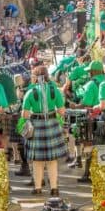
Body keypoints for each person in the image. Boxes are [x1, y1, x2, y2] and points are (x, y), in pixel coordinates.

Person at [22, 65, 67, 196]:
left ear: (35, 77)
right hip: (52, 124)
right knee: (52, 160)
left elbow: (24, 115)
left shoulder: (30, 92)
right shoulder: (55, 90)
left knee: (37, 160)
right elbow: (62, 111)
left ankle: (37, 188)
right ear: (47, 76)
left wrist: (32, 113)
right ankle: (54, 188)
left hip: (36, 125)